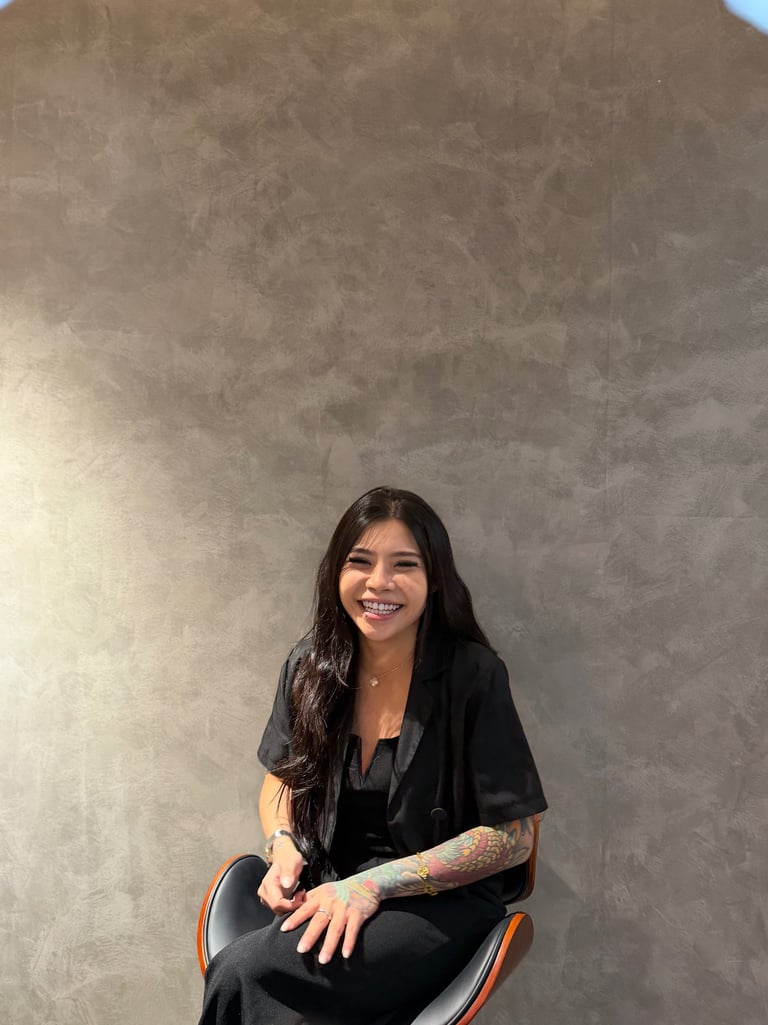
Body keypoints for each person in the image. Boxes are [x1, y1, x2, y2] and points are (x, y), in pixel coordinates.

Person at [198, 486, 547, 1025]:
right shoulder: (311, 666)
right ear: (336, 572)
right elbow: (282, 776)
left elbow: (512, 838)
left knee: (244, 972)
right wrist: (282, 843)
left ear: (435, 578)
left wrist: (373, 886)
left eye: (404, 565)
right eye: (360, 562)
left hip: (438, 904)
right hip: (332, 883)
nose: (379, 582)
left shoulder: (473, 675)